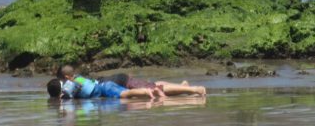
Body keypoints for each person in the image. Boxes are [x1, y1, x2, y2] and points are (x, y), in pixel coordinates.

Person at [51, 65, 206, 99]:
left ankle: (194, 90)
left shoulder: (73, 83)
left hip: (118, 81)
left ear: (66, 78)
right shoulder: (79, 78)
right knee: (153, 84)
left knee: (155, 88)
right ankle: (183, 86)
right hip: (115, 80)